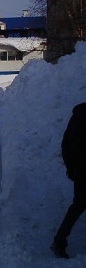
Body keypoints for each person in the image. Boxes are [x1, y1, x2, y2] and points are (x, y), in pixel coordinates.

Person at [51, 102, 86, 259]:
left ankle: (59, 240)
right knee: (78, 206)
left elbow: (65, 145)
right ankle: (59, 240)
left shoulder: (76, 118)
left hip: (79, 172)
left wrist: (71, 169)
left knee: (77, 206)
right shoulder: (81, 119)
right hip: (82, 172)